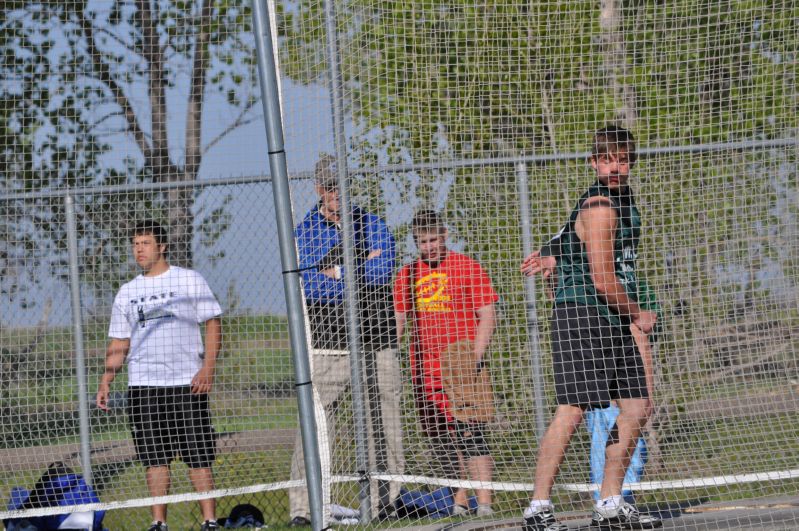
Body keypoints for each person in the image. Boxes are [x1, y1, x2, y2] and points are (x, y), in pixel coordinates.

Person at [519, 125, 662, 530]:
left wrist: (550, 256)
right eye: (606, 159)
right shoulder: (600, 206)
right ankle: (538, 508)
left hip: (611, 315)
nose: (614, 166)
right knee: (573, 409)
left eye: (622, 159)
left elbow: (566, 238)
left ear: (630, 162)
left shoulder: (623, 197)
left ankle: (610, 502)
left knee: (636, 407)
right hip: (584, 312)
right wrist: (638, 313)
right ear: (593, 162)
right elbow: (601, 278)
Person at [288, 154, 404, 525]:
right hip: (328, 340)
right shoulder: (305, 230)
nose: (337, 193)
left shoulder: (371, 223)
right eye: (330, 187)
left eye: (342, 185)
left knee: (384, 421)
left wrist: (338, 269)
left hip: (377, 339)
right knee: (317, 422)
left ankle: (385, 502)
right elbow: (312, 281)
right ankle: (305, 508)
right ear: (319, 189)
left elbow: (385, 267)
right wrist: (357, 267)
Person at [96, 221, 222, 531]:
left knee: (198, 455)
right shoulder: (128, 292)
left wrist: (207, 367)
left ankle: (210, 521)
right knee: (155, 457)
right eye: (135, 244)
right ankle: (158, 523)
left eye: (145, 243)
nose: (138, 249)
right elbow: (119, 341)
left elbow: (213, 323)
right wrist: (107, 379)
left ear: (162, 246)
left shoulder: (188, 280)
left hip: (186, 383)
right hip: (144, 386)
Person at [533, 231, 660, 502]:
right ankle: (549, 503)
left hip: (620, 384)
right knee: (578, 419)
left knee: (629, 436)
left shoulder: (623, 284)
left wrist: (646, 387)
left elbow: (641, 339)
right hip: (597, 380)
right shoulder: (573, 297)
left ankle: (615, 502)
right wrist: (550, 261)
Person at [394, 209, 498, 517]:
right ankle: (458, 502)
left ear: (445, 236)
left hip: (462, 366)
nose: (429, 247)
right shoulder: (407, 274)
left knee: (471, 433)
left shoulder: (466, 267)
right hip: (426, 370)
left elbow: (488, 315)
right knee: (442, 438)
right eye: (422, 242)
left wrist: (473, 361)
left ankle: (486, 504)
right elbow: (399, 321)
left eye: (434, 240)